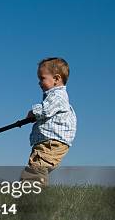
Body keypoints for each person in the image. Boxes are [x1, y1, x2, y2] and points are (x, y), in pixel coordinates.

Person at [21, 57, 77, 186]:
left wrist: (32, 113)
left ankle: (32, 199)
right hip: (48, 142)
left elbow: (45, 110)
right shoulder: (54, 96)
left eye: (42, 78)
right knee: (35, 169)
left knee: (35, 171)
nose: (39, 82)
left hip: (51, 142)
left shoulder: (57, 95)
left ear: (56, 79)